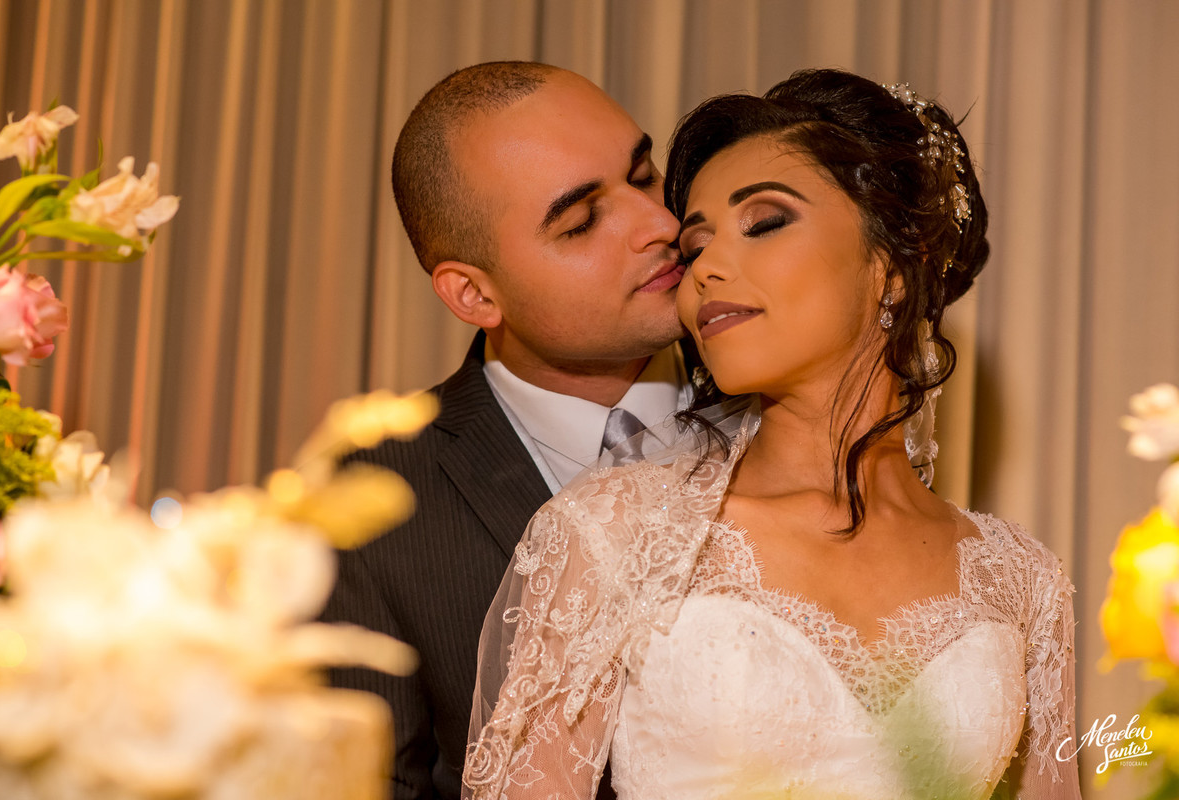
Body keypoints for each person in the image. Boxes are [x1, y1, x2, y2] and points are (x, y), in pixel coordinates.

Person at [462, 68, 1081, 799]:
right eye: (694, 248)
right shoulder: (613, 537)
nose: (705, 271)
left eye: (764, 223)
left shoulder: (1025, 581)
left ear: (890, 263)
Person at [319, 61, 689, 800]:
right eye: (582, 221)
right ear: (474, 292)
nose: (661, 226)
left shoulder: (791, 404)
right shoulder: (374, 502)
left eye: (644, 176)